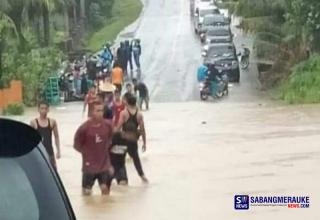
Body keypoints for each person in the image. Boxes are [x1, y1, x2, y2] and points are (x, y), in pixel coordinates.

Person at [74, 101, 114, 196]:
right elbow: (76, 145)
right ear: (92, 112)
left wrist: (109, 163)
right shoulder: (84, 128)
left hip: (104, 166)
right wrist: (87, 154)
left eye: (102, 110)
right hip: (89, 167)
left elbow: (110, 140)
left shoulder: (108, 125)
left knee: (105, 192)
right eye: (98, 110)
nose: (100, 113)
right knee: (86, 195)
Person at [115, 94, 148, 183]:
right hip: (133, 141)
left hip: (124, 140)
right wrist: (144, 143)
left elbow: (118, 127)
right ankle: (142, 176)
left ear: (127, 103)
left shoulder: (124, 113)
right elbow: (142, 130)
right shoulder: (139, 114)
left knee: (119, 160)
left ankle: (121, 179)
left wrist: (111, 137)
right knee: (136, 159)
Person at [30, 101, 61, 169]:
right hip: (38, 153)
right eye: (42, 108)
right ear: (38, 110)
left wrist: (58, 151)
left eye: (45, 108)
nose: (44, 110)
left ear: (48, 110)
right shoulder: (33, 122)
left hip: (50, 151)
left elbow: (56, 137)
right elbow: (30, 139)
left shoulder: (52, 122)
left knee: (53, 172)